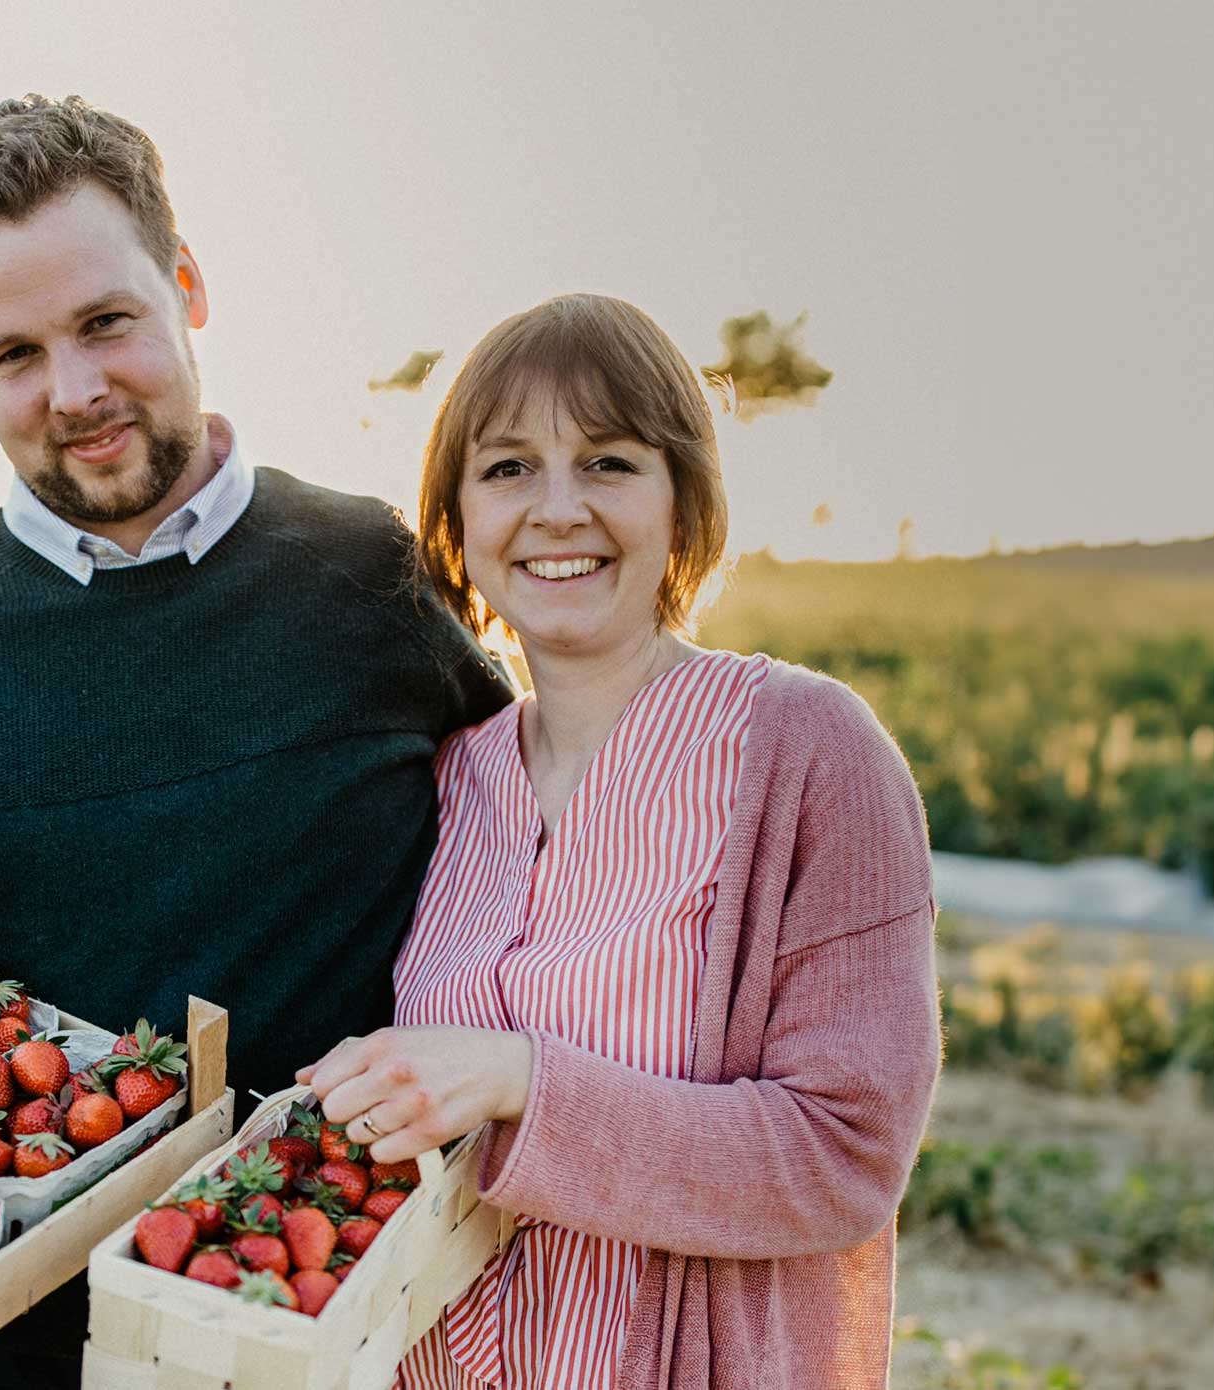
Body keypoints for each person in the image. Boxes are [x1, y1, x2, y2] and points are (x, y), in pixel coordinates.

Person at [0, 95, 511, 1384]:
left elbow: (548, 861)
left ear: (187, 285)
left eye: (106, 322)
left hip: (324, 1309)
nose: (74, 391)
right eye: (12, 354)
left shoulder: (376, 577)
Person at [299, 294, 939, 1389]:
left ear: (683, 501)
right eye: (506, 468)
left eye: (607, 461)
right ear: (454, 517)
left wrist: (517, 1077)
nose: (556, 509)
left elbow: (844, 1158)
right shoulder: (453, 778)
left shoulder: (805, 752)